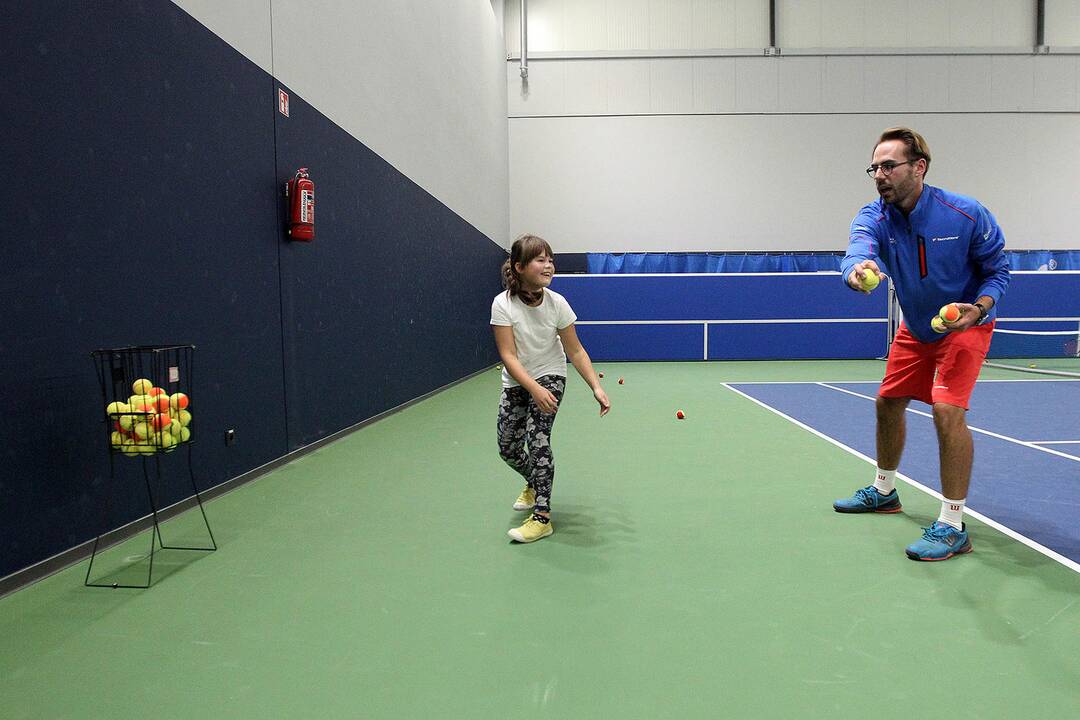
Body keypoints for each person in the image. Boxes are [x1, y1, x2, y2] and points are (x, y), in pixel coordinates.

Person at [835, 127, 1010, 561]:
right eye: (874, 167)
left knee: (947, 410)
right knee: (887, 402)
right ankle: (884, 491)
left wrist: (980, 307)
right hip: (916, 326)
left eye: (888, 165)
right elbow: (857, 251)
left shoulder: (966, 214)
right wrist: (857, 270)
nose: (879, 175)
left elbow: (998, 270)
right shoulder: (873, 215)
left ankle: (953, 524)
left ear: (919, 167)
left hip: (965, 324)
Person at [491, 234, 610, 543]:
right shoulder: (503, 304)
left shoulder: (558, 304)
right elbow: (507, 355)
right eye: (540, 260)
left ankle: (542, 517)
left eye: (550, 259)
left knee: (538, 439)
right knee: (508, 448)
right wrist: (530, 388)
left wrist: (595, 387)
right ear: (519, 267)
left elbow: (575, 351)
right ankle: (534, 482)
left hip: (550, 374)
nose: (548, 265)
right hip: (518, 380)